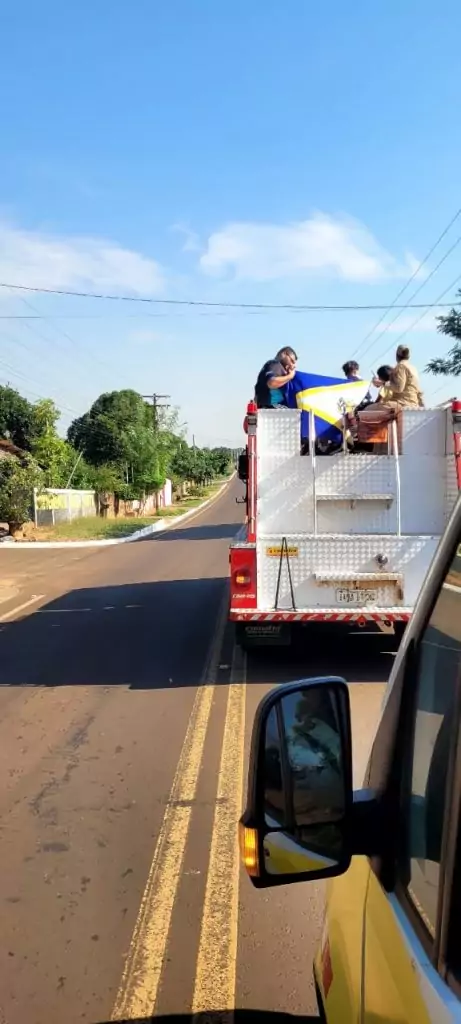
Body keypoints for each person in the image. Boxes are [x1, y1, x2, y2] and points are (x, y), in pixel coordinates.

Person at [372, 345, 424, 410]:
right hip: (413, 404)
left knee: (368, 409)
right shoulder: (413, 368)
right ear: (408, 356)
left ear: (397, 355)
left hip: (401, 404)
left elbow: (399, 388)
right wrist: (422, 406)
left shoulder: (401, 366)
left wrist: (382, 383)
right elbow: (418, 391)